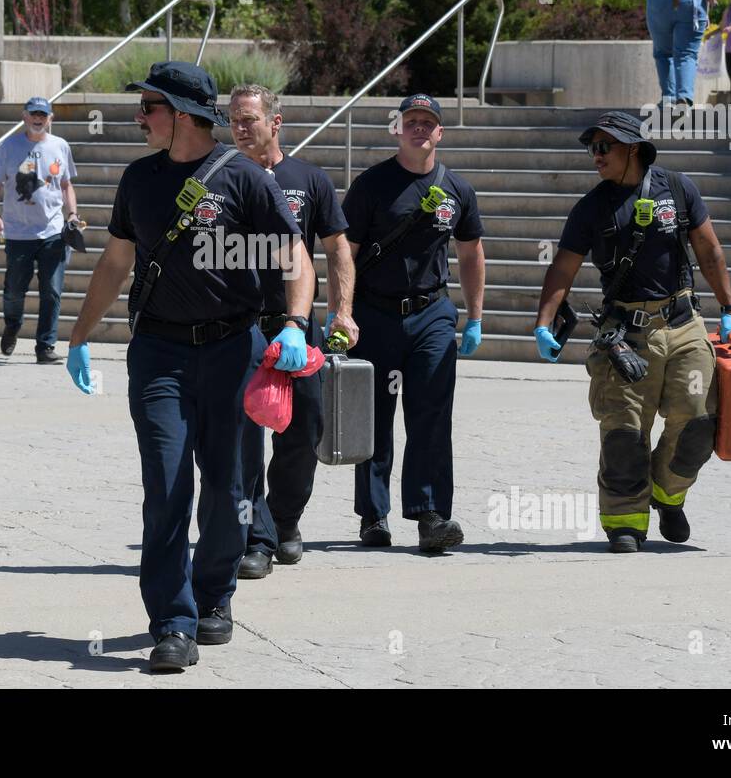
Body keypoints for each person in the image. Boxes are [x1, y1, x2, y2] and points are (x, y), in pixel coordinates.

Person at [64, 61, 315, 674]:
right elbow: (114, 262)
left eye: (148, 106)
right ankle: (172, 622)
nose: (138, 117)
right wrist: (78, 335)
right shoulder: (138, 179)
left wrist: (293, 324)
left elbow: (298, 261)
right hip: (158, 356)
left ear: (181, 116)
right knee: (168, 486)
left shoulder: (246, 179)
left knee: (228, 489)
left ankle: (213, 598)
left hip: (234, 352)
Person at [531, 111, 731, 553]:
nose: (596, 156)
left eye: (604, 147)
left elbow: (709, 249)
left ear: (632, 148)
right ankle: (625, 520)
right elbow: (562, 268)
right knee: (624, 432)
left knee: (699, 421)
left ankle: (667, 494)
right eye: (592, 148)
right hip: (626, 335)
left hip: (684, 325)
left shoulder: (678, 188)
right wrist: (543, 323)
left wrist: (729, 309)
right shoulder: (592, 207)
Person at [342, 93, 486, 553]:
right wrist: (341, 311)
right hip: (375, 313)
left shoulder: (458, 190)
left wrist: (475, 317)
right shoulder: (372, 185)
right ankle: (373, 516)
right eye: (412, 121)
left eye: (428, 122)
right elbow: (347, 252)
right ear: (398, 129)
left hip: (432, 313)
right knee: (373, 417)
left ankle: (430, 517)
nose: (420, 128)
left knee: (430, 417)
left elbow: (470, 255)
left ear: (440, 132)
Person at [228, 84, 357, 578]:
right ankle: (253, 536)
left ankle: (285, 520)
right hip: (240, 327)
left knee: (304, 428)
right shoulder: (221, 176)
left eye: (249, 120)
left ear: (275, 122)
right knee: (242, 436)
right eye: (234, 121)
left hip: (296, 328)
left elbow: (338, 248)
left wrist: (342, 311)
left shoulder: (308, 179)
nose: (240, 129)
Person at [0, 96, 78, 362]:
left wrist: (72, 214)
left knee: (52, 289)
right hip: (17, 232)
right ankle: (12, 325)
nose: (38, 118)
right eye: (33, 113)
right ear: (25, 116)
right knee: (14, 289)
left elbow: (66, 185)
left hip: (53, 231)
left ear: (51, 118)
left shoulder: (60, 146)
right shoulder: (9, 146)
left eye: (43, 114)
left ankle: (45, 346)